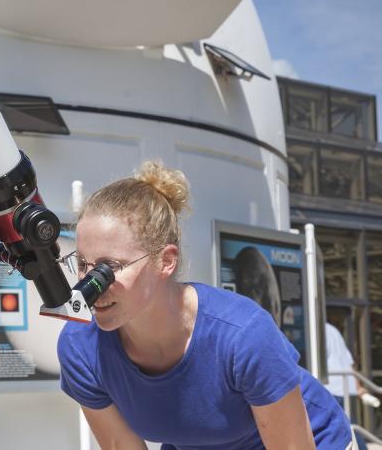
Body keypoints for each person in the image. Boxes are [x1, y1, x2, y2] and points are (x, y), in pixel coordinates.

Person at [57, 161, 354, 449]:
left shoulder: (243, 336)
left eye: (110, 267)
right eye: (83, 264)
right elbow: (120, 445)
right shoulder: (81, 347)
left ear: (166, 261)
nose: (91, 284)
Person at [324, 321, 380, 450]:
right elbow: (349, 363)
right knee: (350, 427)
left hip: (331, 388)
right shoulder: (333, 330)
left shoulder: (315, 331)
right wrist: (358, 387)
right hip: (344, 388)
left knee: (344, 429)